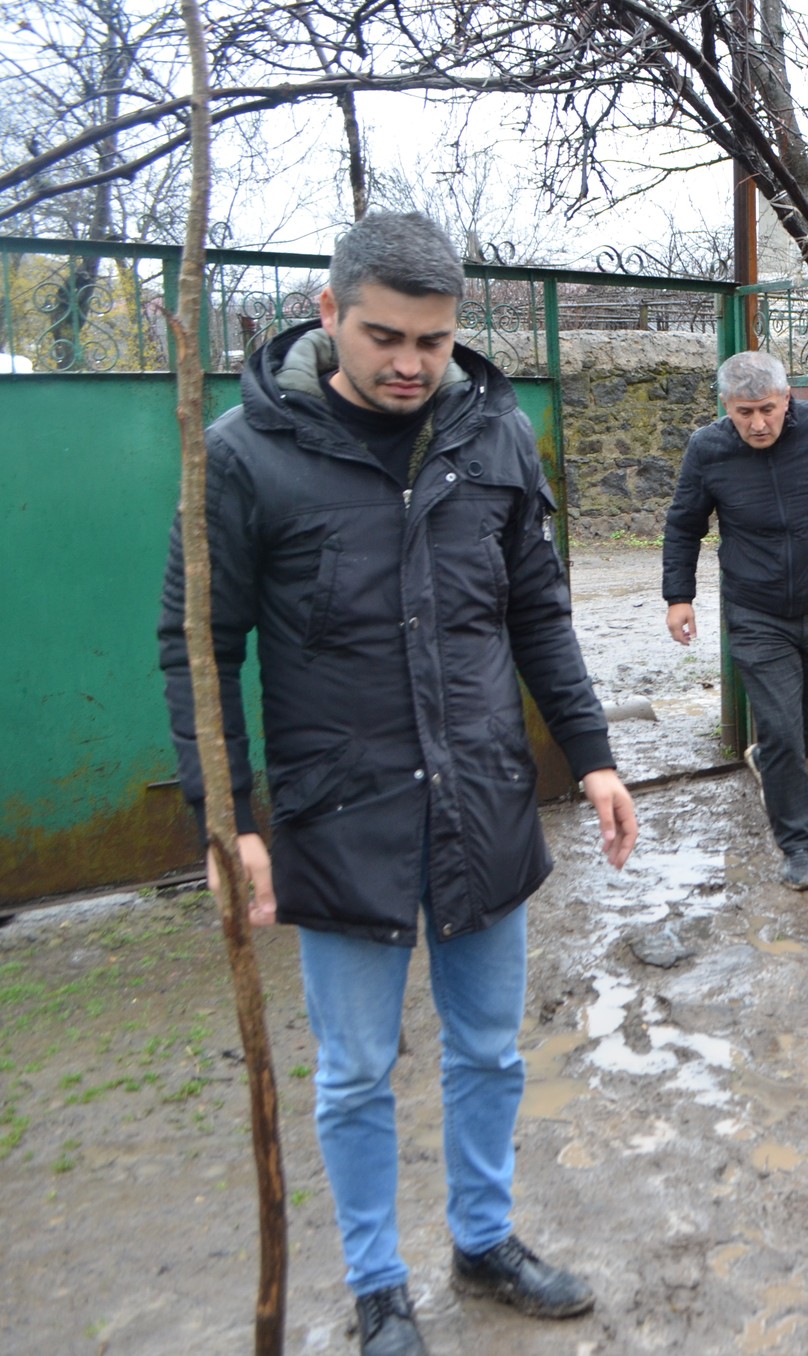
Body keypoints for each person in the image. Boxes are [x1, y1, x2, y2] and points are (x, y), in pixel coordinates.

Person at [158, 211, 638, 1356]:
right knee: (357, 1071)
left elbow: (537, 613)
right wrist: (230, 823)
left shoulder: (493, 435)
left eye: (432, 338)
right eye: (384, 336)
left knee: (489, 1049)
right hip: (339, 813)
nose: (412, 363)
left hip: (480, 798)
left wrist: (594, 755)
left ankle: (484, 1240)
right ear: (328, 313)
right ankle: (378, 1285)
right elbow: (197, 646)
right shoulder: (243, 455)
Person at [663, 350, 808, 889]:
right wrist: (679, 596)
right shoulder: (708, 449)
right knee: (782, 729)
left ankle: (771, 761)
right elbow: (684, 524)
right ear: (726, 406)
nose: (758, 423)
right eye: (744, 413)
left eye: (767, 409)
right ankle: (796, 847)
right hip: (757, 613)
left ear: (788, 398)